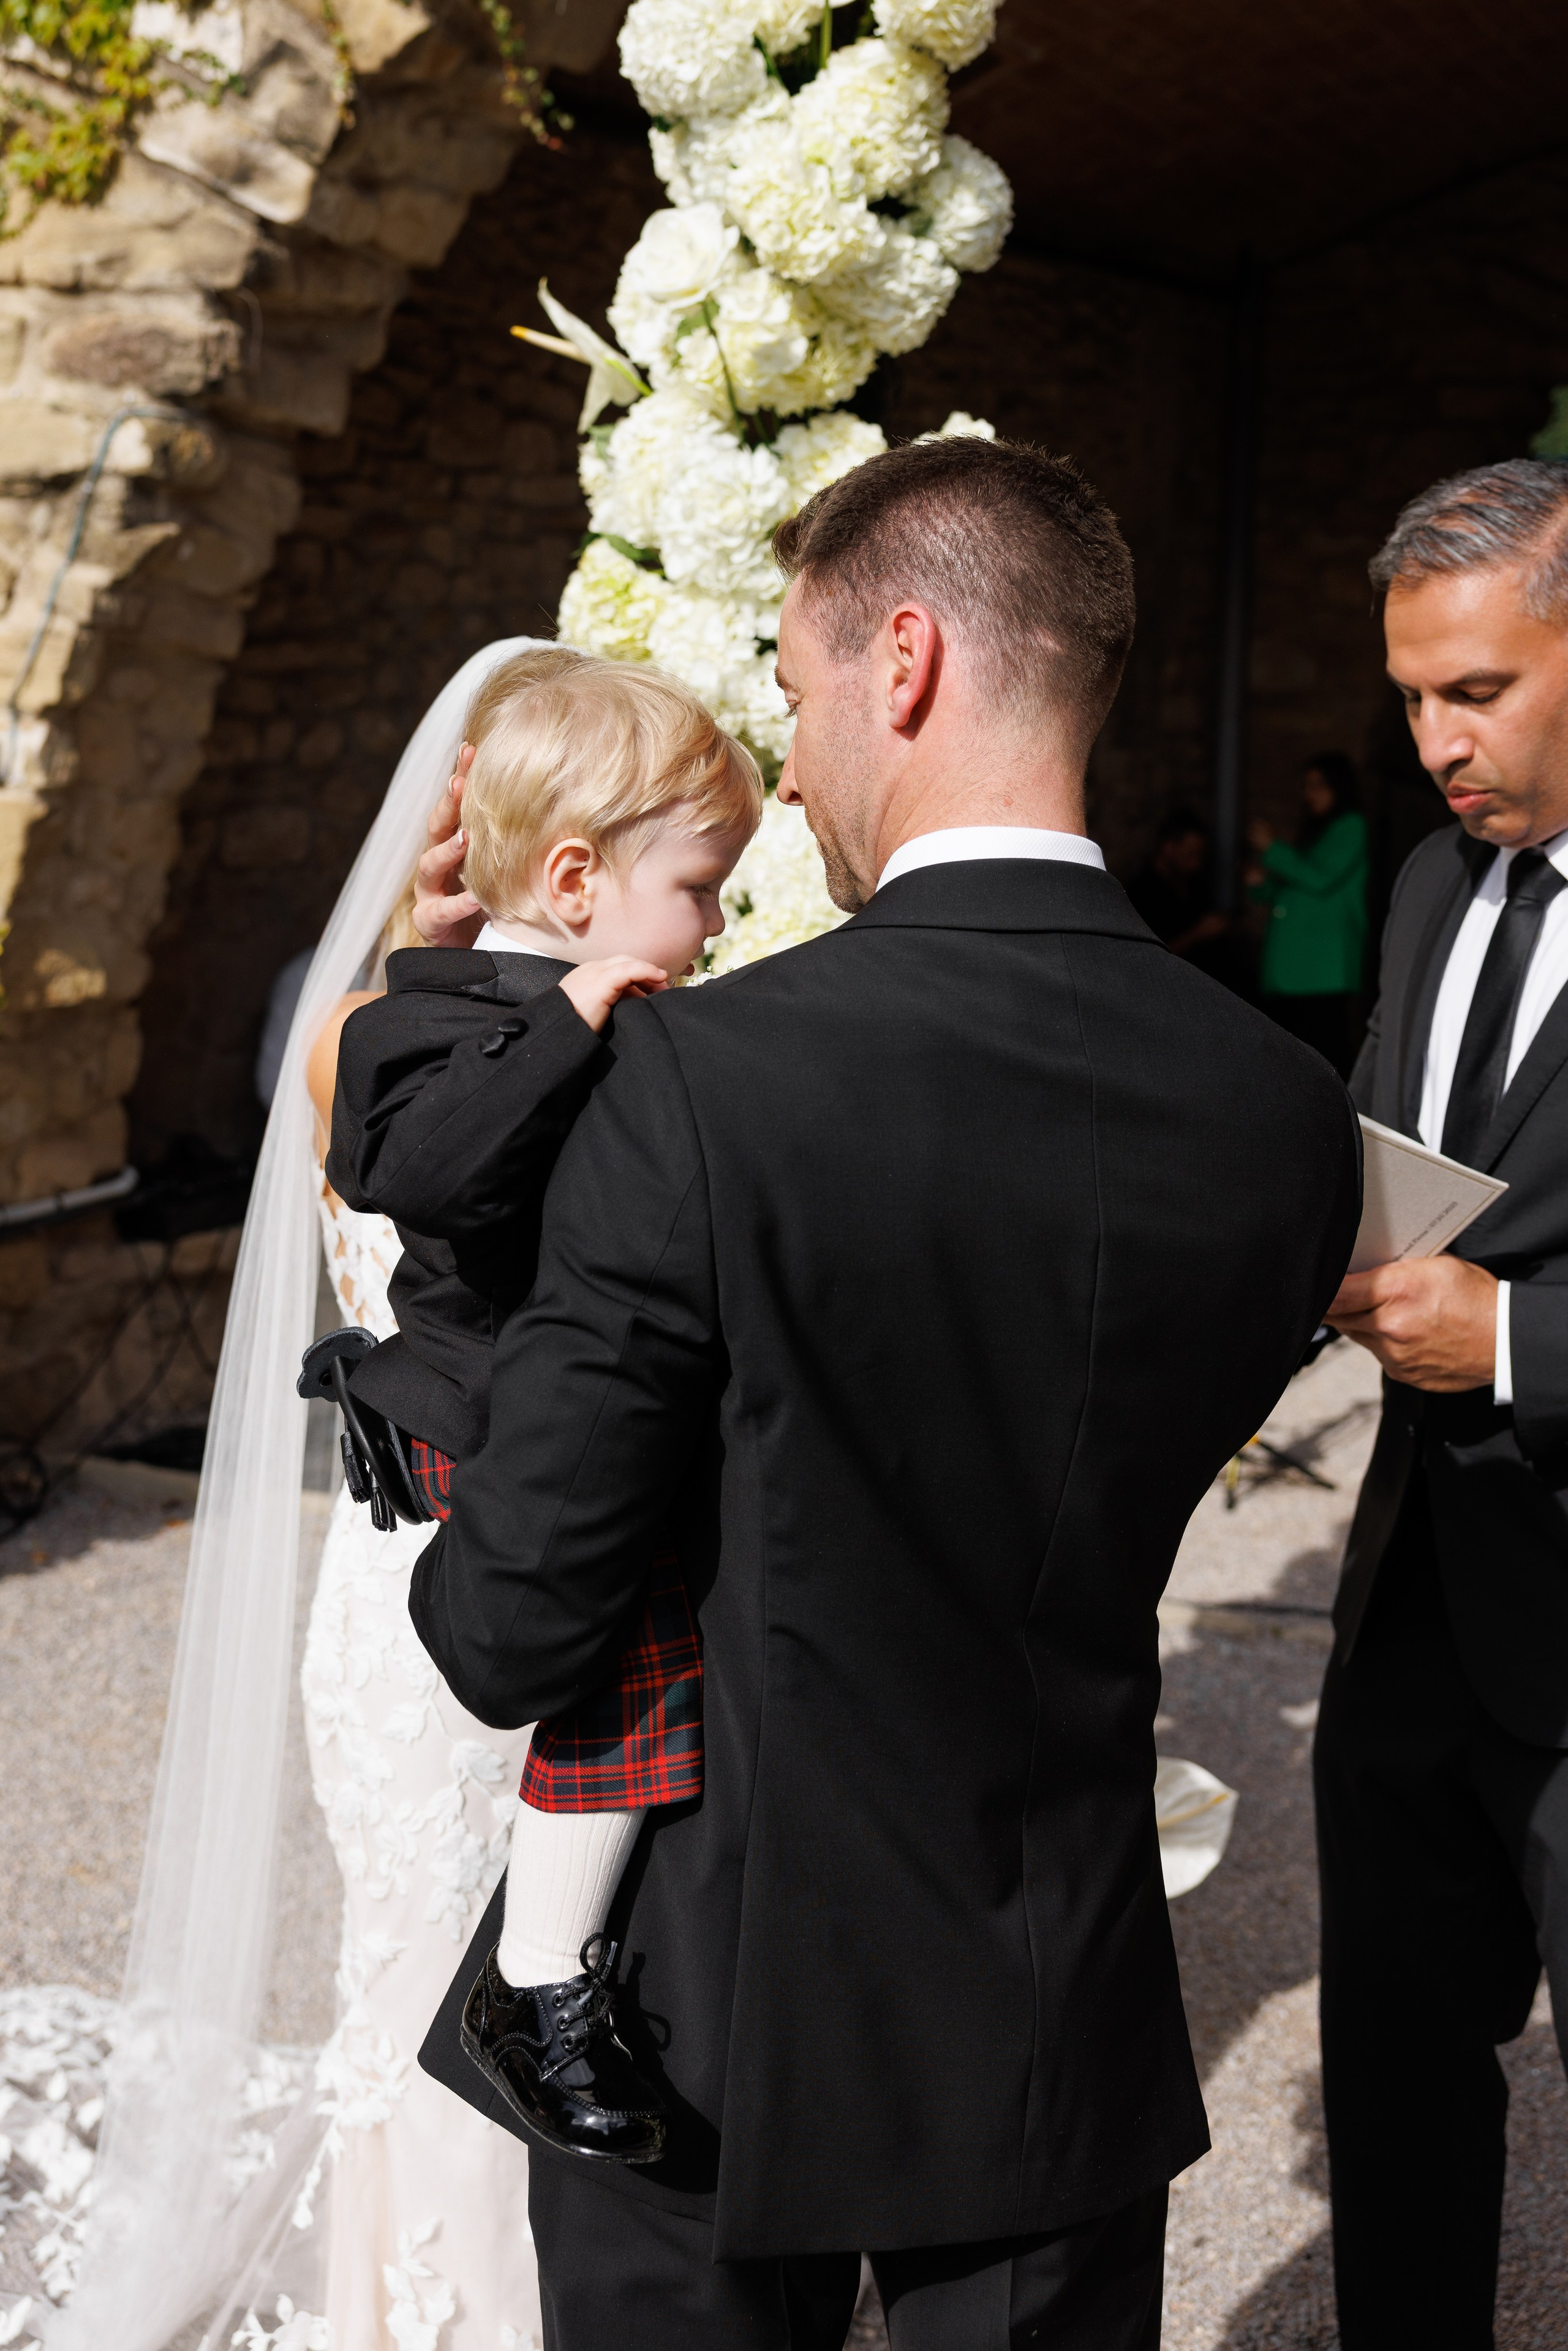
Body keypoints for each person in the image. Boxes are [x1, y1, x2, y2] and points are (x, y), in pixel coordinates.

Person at [409, 437, 1362, 2349]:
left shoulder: (703, 1083)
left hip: (704, 2002)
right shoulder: (1281, 1112)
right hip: (1054, 1976)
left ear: (901, 660)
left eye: (790, 684)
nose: (790, 771)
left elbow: (510, 1624)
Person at [54, 638, 562, 2351]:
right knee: (456, 1977)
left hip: (379, 1564)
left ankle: (394, 2300)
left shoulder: (359, 1015)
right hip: (461, 1583)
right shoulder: (533, 1058)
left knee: (410, 1975)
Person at [326, 648, 761, 2164]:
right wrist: (569, 1018)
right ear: (574, 878)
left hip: (545, 1426)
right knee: (630, 1679)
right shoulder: (425, 1019)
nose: (710, 931)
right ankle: (535, 1982)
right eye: (700, 889)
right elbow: (424, 1173)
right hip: (512, 1439)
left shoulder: (625, 1014)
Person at [1315, 456, 1568, 2350]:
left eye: (1472, 691)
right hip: (1409, 1598)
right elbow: (1408, 1158)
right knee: (1396, 2084)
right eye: (1410, 696)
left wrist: (1511, 1345)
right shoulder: (1422, 887)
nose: (1430, 740)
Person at [1248, 750, 1369, 1076]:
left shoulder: (1352, 827)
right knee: (1293, 1064)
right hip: (1296, 971)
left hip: (1322, 971)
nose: (1310, 794)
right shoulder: (1316, 833)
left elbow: (1319, 878)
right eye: (1307, 786)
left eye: (1319, 785)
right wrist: (1260, 882)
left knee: (1326, 1062)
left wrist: (1272, 847)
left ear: (1338, 787)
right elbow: (1293, 885)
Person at [1126, 806, 1229, 963]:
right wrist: (1198, 934)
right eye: (1190, 855)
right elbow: (1146, 957)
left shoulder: (1194, 887)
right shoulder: (1141, 893)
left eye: (1200, 857)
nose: (1196, 864)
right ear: (1169, 847)